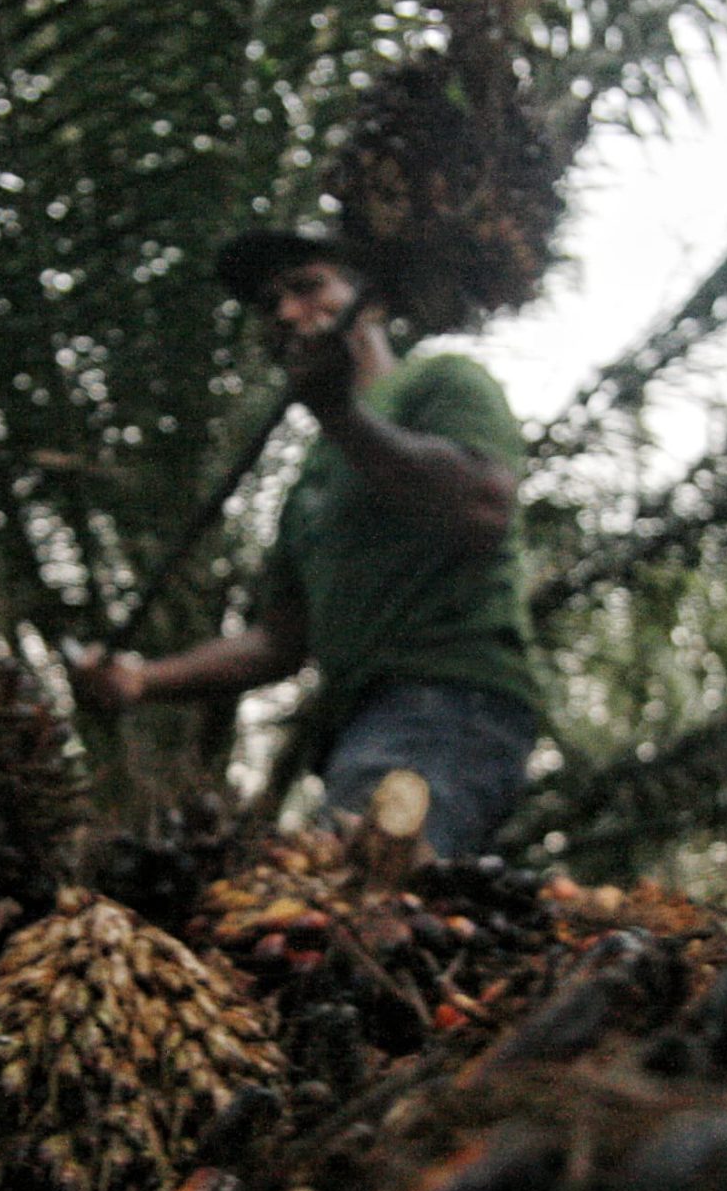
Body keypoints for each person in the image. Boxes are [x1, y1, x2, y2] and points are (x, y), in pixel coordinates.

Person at [68, 230, 541, 858]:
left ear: (368, 301)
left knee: (348, 903)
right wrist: (141, 680)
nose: (288, 313)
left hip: (447, 700)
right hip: (361, 724)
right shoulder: (310, 487)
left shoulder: (439, 382)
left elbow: (484, 504)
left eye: (308, 286)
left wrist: (343, 415)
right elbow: (280, 640)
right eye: (269, 306)